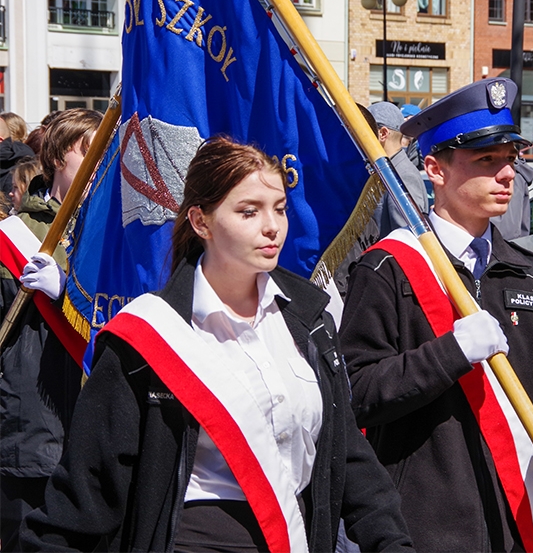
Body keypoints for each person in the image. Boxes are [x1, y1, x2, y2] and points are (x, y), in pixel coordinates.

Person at [17, 136, 415, 552]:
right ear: (201, 221)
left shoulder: (308, 321)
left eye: (279, 208)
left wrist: (390, 542)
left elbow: (347, 455)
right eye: (248, 211)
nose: (272, 226)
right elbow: (85, 495)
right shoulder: (146, 339)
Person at [340, 77, 533, 553]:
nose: (507, 175)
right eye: (487, 161)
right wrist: (449, 354)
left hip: (519, 519)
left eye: (510, 160)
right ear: (434, 169)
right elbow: (356, 391)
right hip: (421, 524)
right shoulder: (388, 269)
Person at [0, 108, 101, 545]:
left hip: (94, 433)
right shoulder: (14, 234)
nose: (100, 161)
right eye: (90, 150)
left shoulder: (113, 235)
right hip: (30, 433)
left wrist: (68, 294)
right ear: (59, 156)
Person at [368, 101, 428, 238]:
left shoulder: (403, 175)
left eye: (365, 131)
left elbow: (405, 238)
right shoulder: (387, 170)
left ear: (383, 134)